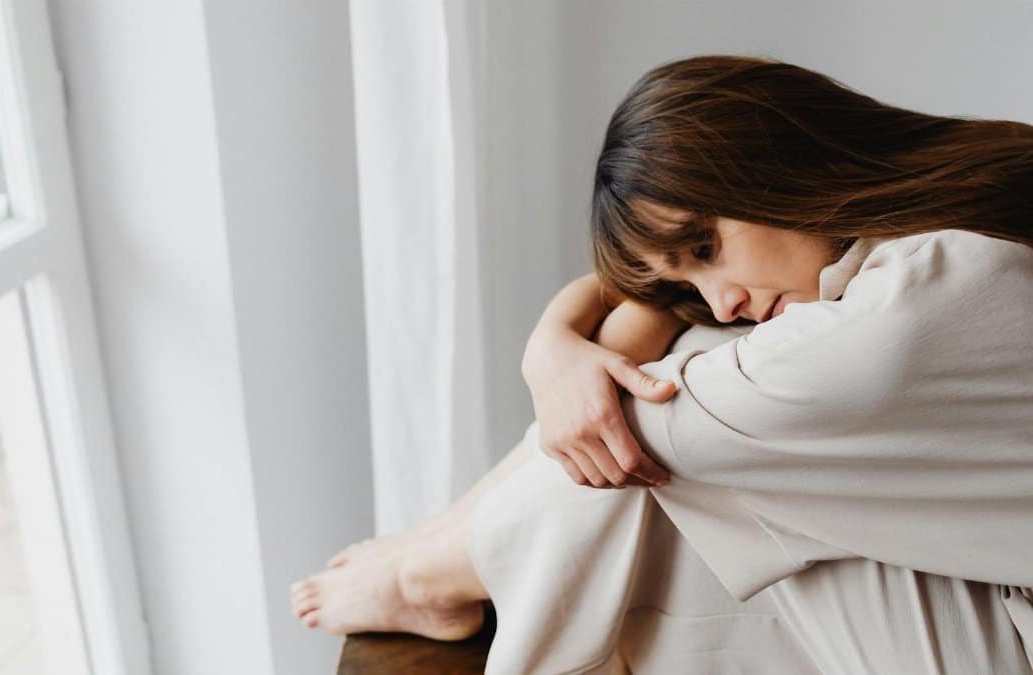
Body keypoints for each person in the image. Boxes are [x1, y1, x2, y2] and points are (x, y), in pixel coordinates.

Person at [289, 54, 1033, 673]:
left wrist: (571, 354)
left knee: (650, 424)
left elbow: (631, 425)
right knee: (690, 370)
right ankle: (435, 557)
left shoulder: (917, 304)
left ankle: (428, 576)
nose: (725, 298)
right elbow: (655, 311)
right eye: (688, 279)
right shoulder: (959, 212)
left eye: (706, 248)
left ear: (775, 156)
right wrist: (554, 344)